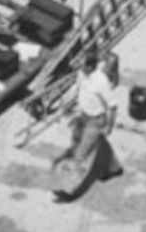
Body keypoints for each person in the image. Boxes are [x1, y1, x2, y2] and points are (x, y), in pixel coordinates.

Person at [52, 49, 123, 201]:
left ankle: (70, 191)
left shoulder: (101, 82)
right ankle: (114, 168)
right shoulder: (82, 74)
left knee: (79, 156)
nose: (78, 65)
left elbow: (113, 105)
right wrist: (68, 105)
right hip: (83, 116)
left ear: (90, 66)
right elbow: (78, 90)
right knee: (97, 144)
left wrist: (110, 125)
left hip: (95, 121)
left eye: (81, 63)